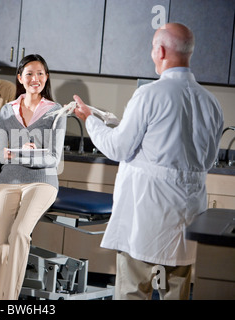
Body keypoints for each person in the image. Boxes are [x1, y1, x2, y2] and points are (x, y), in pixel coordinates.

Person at [73, 23, 224, 300]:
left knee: (133, 291)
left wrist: (90, 121)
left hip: (147, 214)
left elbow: (118, 148)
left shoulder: (150, 94)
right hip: (188, 216)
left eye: (153, 48)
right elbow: (208, 158)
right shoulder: (211, 102)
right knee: (176, 293)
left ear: (161, 50)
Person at [0, 54, 67, 300]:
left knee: (19, 233)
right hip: (8, 181)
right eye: (29, 73)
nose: (35, 79)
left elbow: (52, 158)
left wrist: (18, 155)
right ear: (20, 78)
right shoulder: (8, 110)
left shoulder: (56, 112)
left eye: (40, 73)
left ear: (46, 77)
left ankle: (8, 299)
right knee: (0, 241)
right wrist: (10, 152)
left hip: (42, 181)